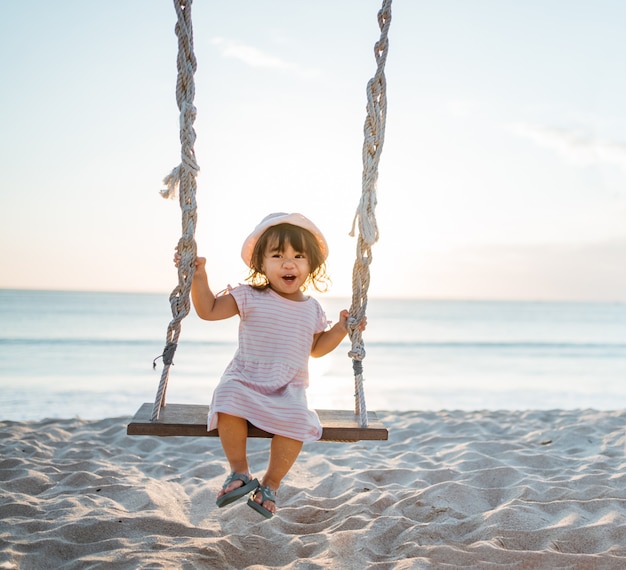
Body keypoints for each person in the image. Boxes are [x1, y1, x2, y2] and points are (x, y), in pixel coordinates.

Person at [174, 212, 366, 519]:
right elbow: (208, 310)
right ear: (261, 264)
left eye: (298, 256)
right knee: (227, 397)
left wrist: (342, 329)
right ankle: (240, 472)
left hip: (288, 388)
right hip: (246, 379)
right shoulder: (249, 296)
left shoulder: (312, 308)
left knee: (297, 419)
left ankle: (270, 484)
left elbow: (315, 349)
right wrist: (199, 277)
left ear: (311, 265)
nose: (288, 264)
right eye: (277, 256)